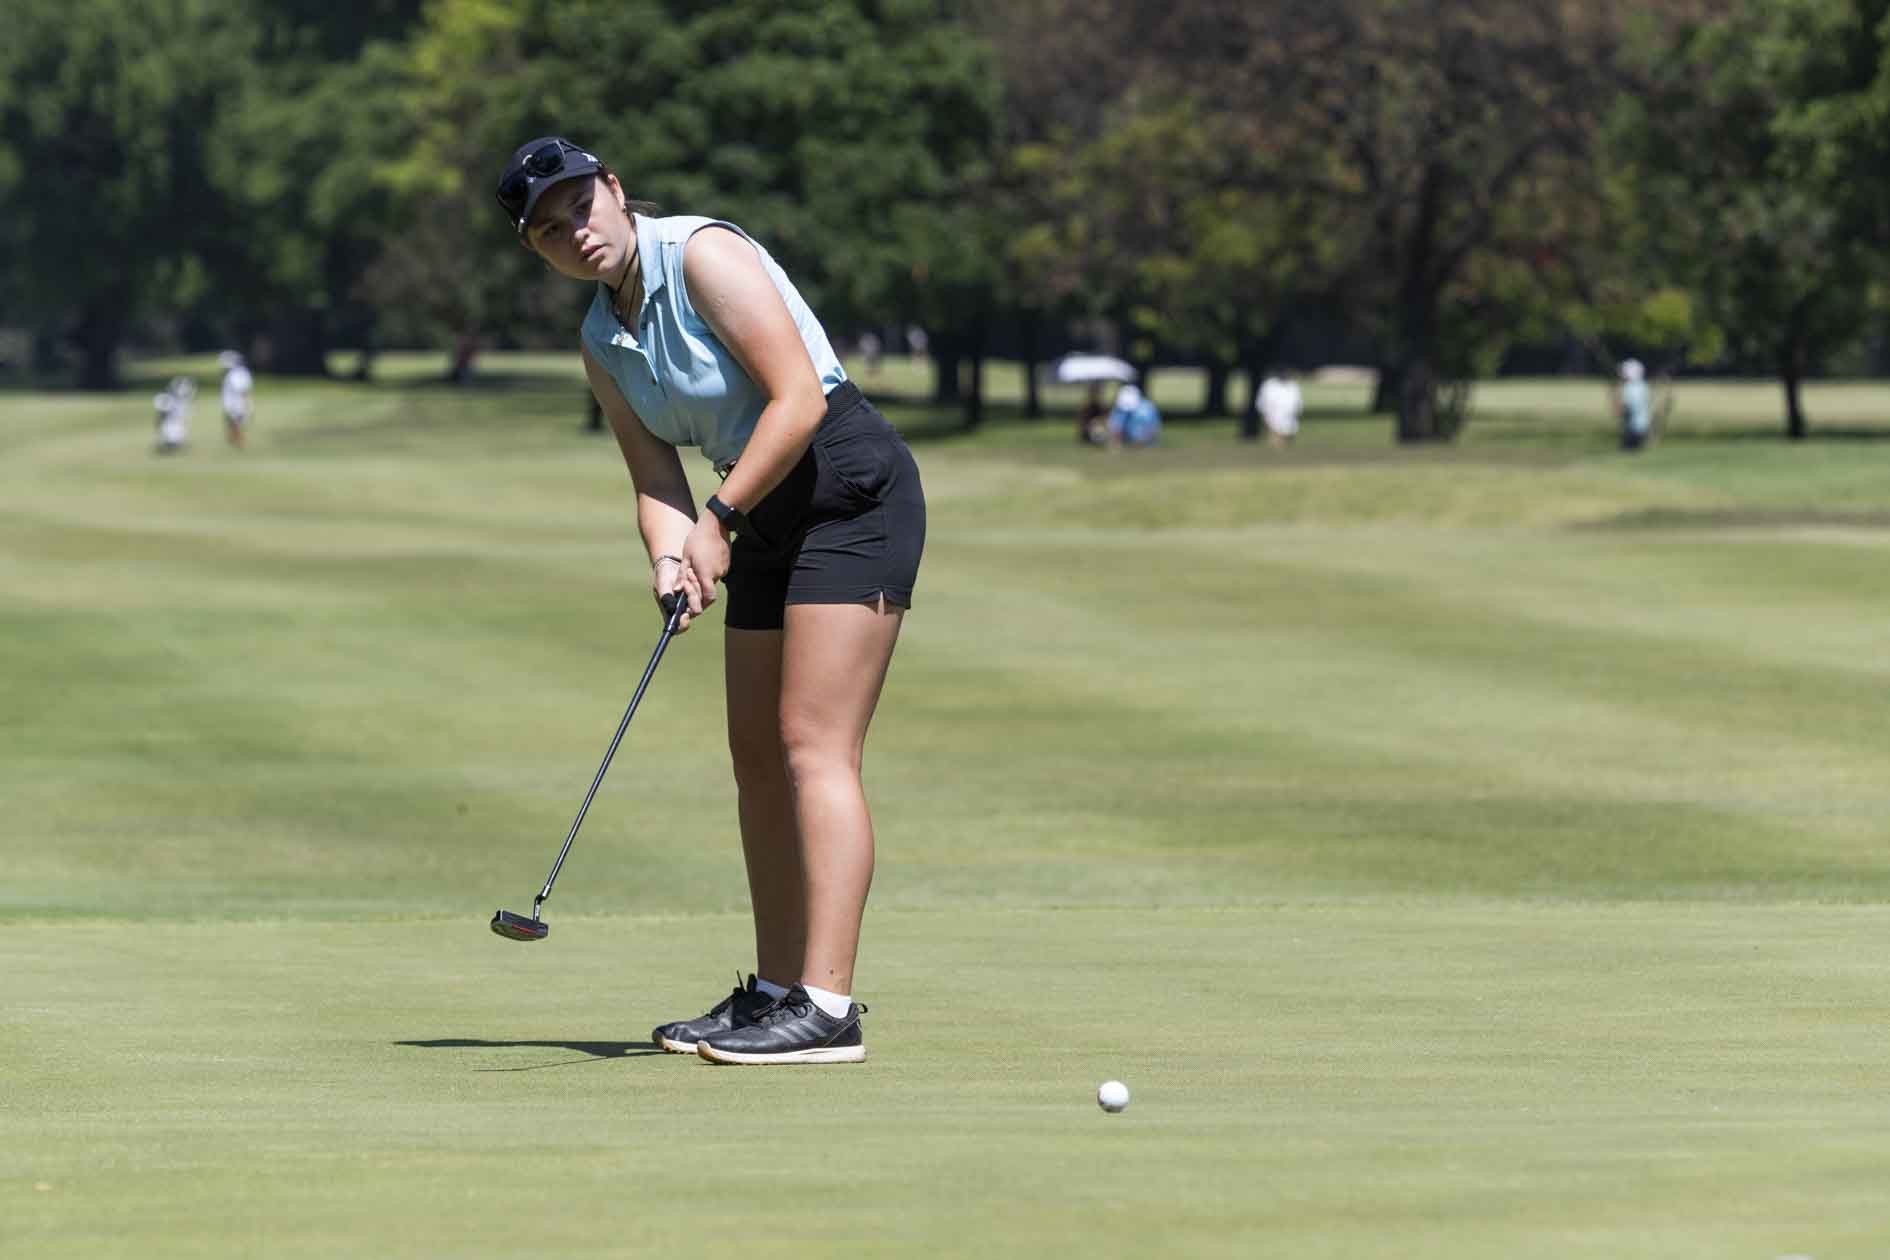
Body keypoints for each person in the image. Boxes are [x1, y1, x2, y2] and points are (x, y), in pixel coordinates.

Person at [495, 136, 925, 1065]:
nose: (576, 231)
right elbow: (654, 477)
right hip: (757, 503)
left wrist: (719, 519)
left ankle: (828, 1007)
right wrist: (670, 557)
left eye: (581, 205)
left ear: (615, 189)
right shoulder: (601, 341)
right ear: (536, 250)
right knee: (756, 757)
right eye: (551, 230)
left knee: (814, 746)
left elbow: (799, 398)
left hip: (846, 489)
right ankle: (775, 991)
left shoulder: (701, 254)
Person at [1255, 369, 1302, 448]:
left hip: (1288, 413)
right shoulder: (1269, 385)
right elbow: (1263, 400)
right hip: (1273, 412)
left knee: (1287, 431)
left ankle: (1281, 445)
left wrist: (1297, 410)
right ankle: (1276, 445)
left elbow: (1297, 400)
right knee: (1275, 430)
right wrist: (1265, 411)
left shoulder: (1292, 386)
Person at [1106, 382, 1161, 448]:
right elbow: (1114, 428)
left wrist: (1141, 441)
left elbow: (1153, 429)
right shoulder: (1118, 409)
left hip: (1146, 445)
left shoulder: (1148, 409)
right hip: (1127, 444)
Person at [218, 351, 253, 448]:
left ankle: (240, 442)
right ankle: (234, 440)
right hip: (234, 403)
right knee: (232, 423)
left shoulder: (236, 374)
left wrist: (245, 403)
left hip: (236, 403)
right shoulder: (239, 372)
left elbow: (242, 389)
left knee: (236, 423)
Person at [1617, 358, 1651, 451]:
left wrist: (1620, 409)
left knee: (1626, 450)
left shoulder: (1629, 387)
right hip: (1643, 426)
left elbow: (1627, 407)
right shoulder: (1643, 385)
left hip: (1632, 428)